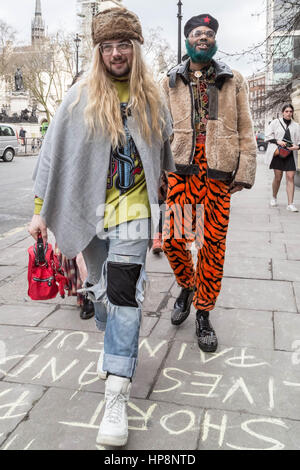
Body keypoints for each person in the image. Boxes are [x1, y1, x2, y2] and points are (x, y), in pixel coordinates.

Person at [28, 7, 174, 447]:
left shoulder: (152, 97)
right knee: (102, 294)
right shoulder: (79, 97)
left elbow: (163, 157)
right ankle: (114, 341)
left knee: (123, 293)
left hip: (132, 215)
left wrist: (168, 218)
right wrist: (40, 211)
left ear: (136, 48)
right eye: (107, 46)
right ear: (98, 51)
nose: (115, 53)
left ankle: (116, 390)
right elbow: (53, 157)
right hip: (90, 216)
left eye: (123, 44)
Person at [162, 13, 256, 353]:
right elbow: (160, 130)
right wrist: (161, 173)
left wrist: (244, 171)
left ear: (215, 40)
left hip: (217, 173)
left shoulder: (233, 78)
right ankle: (188, 285)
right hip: (182, 172)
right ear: (188, 40)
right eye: (197, 33)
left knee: (212, 247)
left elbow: (246, 126)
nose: (204, 37)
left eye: (209, 34)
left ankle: (203, 313)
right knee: (174, 241)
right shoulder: (170, 80)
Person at [266, 104, 300, 212]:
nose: (289, 113)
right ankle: (274, 197)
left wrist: (297, 147)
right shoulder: (275, 123)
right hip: (279, 153)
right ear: (283, 112)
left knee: (290, 177)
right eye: (286, 111)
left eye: (290, 111)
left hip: (290, 154)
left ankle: (290, 204)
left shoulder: (296, 126)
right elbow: (268, 136)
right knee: (278, 177)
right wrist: (277, 141)